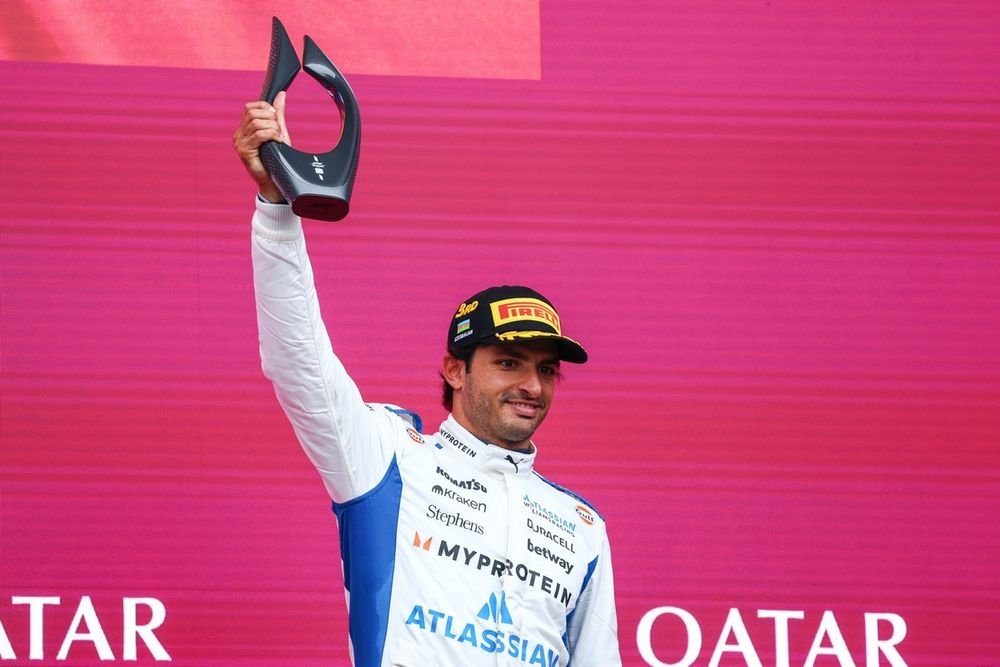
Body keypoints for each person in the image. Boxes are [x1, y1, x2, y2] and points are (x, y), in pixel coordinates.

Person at [234, 92, 621, 667]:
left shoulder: (582, 527)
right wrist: (276, 206)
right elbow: (299, 361)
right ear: (454, 370)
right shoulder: (388, 458)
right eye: (509, 363)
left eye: (546, 369)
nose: (533, 386)